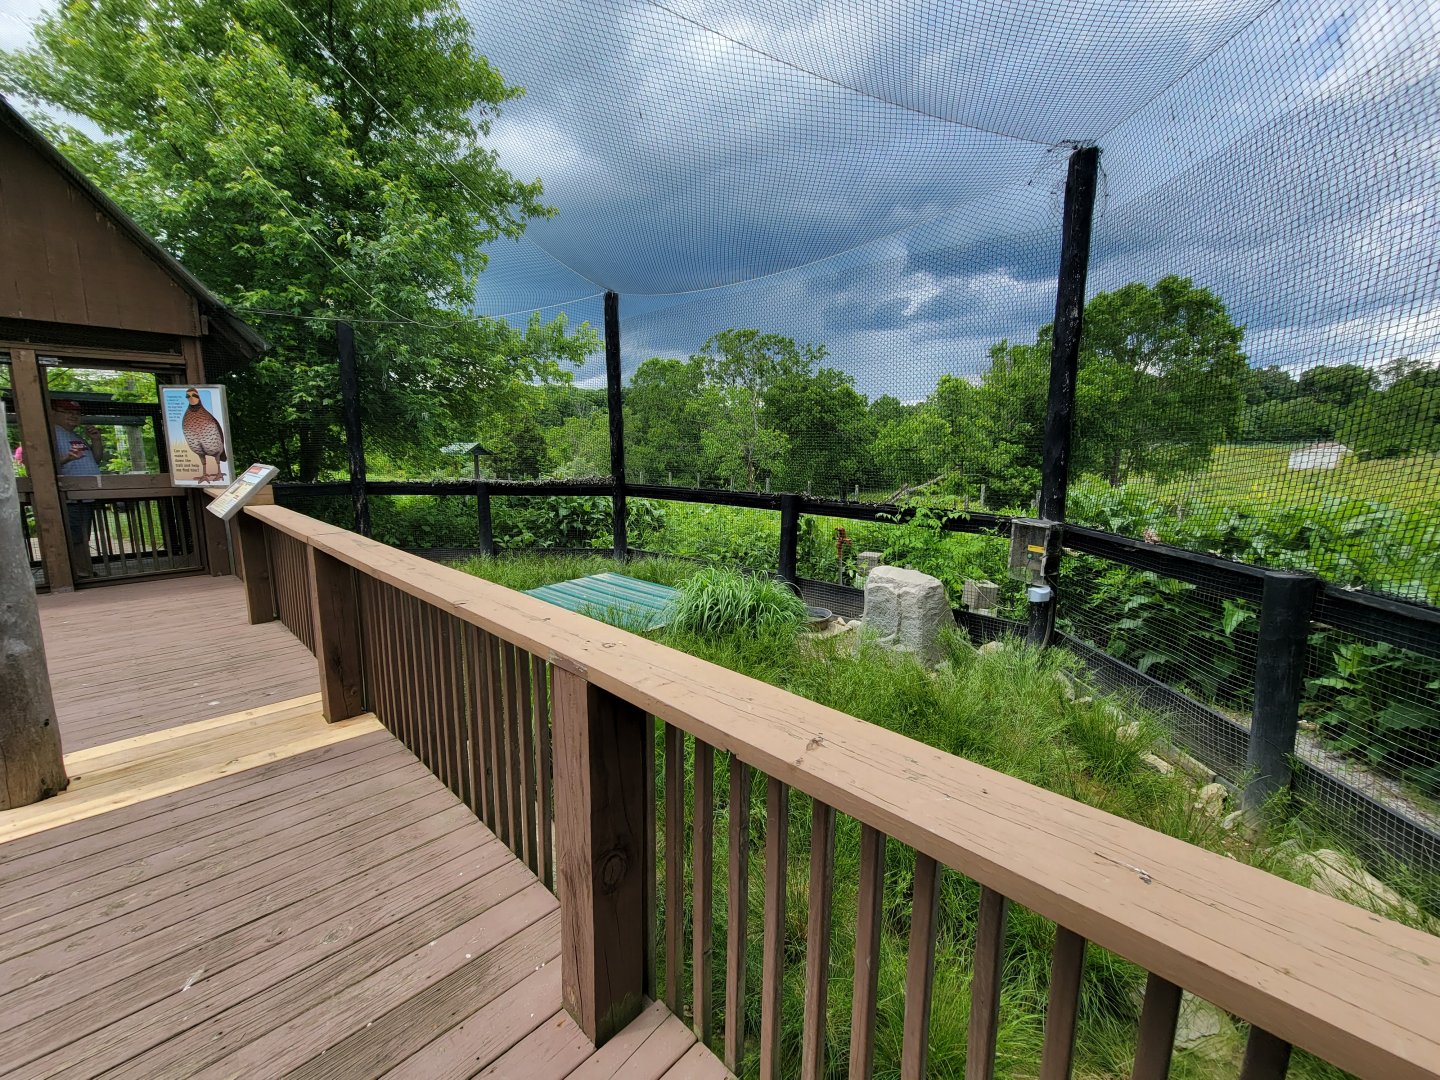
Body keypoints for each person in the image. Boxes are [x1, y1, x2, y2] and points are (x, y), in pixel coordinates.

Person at [51, 398, 105, 574]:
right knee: (74, 536)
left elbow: (94, 460)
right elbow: (42, 465)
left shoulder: (76, 436)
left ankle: (84, 570)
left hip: (84, 495)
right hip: (69, 497)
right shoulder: (51, 434)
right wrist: (66, 458)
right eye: (67, 412)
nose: (73, 416)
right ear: (54, 413)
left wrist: (96, 441)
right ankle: (78, 572)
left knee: (82, 535)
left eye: (76, 413)